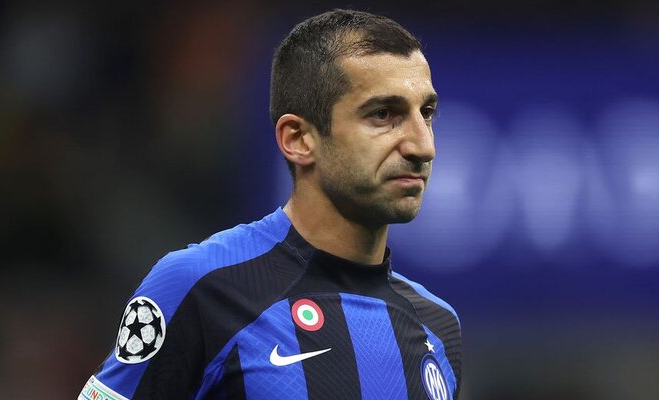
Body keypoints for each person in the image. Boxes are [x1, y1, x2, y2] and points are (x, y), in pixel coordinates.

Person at [79, 9, 461, 400]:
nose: (423, 146)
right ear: (298, 139)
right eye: (383, 114)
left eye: (426, 113)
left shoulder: (439, 326)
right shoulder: (200, 288)